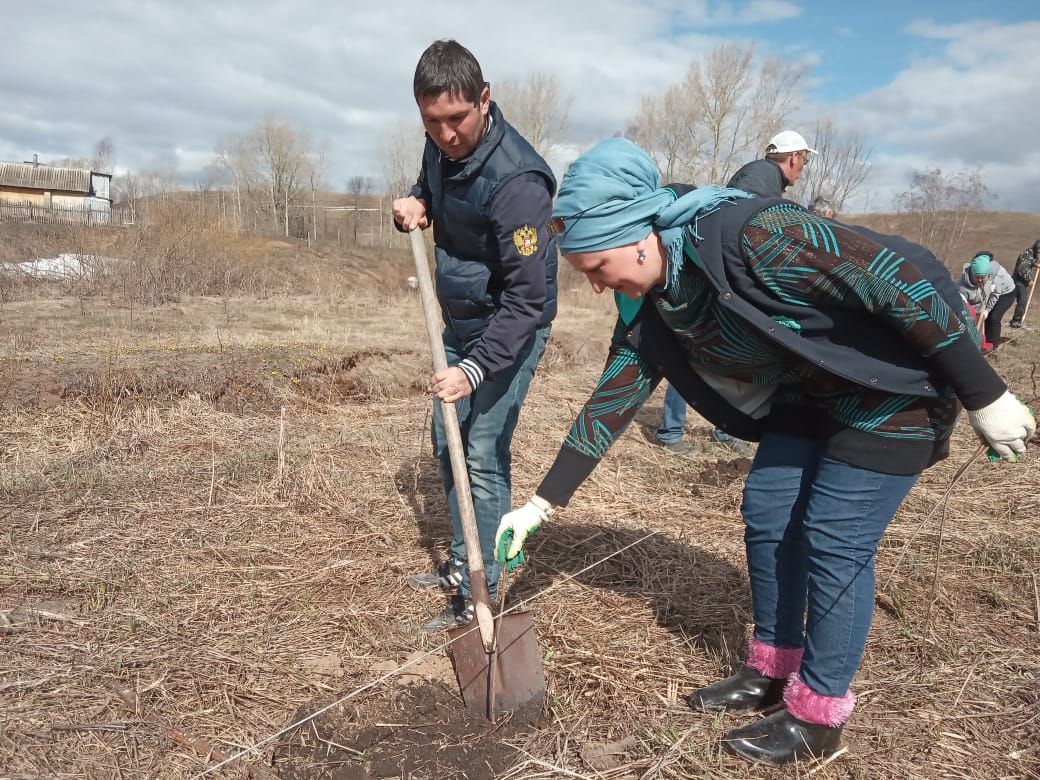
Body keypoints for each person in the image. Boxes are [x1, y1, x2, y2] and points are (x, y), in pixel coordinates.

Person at [494, 138, 1034, 767]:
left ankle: (819, 713)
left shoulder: (753, 232)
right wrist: (540, 504)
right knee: (770, 507)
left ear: (639, 235)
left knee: (836, 535)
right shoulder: (652, 304)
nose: (593, 286)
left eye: (596, 266)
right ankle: (774, 669)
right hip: (815, 385)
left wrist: (984, 393)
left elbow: (900, 281)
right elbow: (611, 401)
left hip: (897, 381)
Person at [392, 40, 557, 632]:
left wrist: (472, 369)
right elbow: (429, 186)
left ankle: (480, 582)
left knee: (482, 451)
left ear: (484, 101)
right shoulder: (441, 147)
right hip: (459, 320)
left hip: (509, 327)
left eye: (457, 119)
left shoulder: (518, 183)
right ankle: (464, 559)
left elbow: (527, 298)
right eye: (431, 122)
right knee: (446, 441)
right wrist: (415, 203)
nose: (445, 135)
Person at [727, 129, 816, 200]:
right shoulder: (764, 176)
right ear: (794, 157)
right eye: (804, 160)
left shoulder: (764, 173)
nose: (803, 166)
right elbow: (738, 211)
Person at [958, 251, 1016, 350]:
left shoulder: (995, 276)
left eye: (983, 278)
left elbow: (996, 293)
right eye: (977, 277)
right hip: (989, 294)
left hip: (1006, 293)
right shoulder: (962, 287)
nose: (980, 280)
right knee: (979, 318)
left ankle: (993, 345)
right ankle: (979, 342)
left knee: (993, 317)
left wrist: (987, 310)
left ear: (988, 275)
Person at [1010, 240, 1040, 328]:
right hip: (1018, 281)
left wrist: (1035, 264)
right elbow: (1021, 269)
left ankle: (1016, 320)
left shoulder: (1033, 253)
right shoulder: (1026, 254)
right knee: (1023, 300)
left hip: (1022, 282)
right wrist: (1028, 280)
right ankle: (1016, 321)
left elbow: (1030, 262)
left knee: (1021, 301)